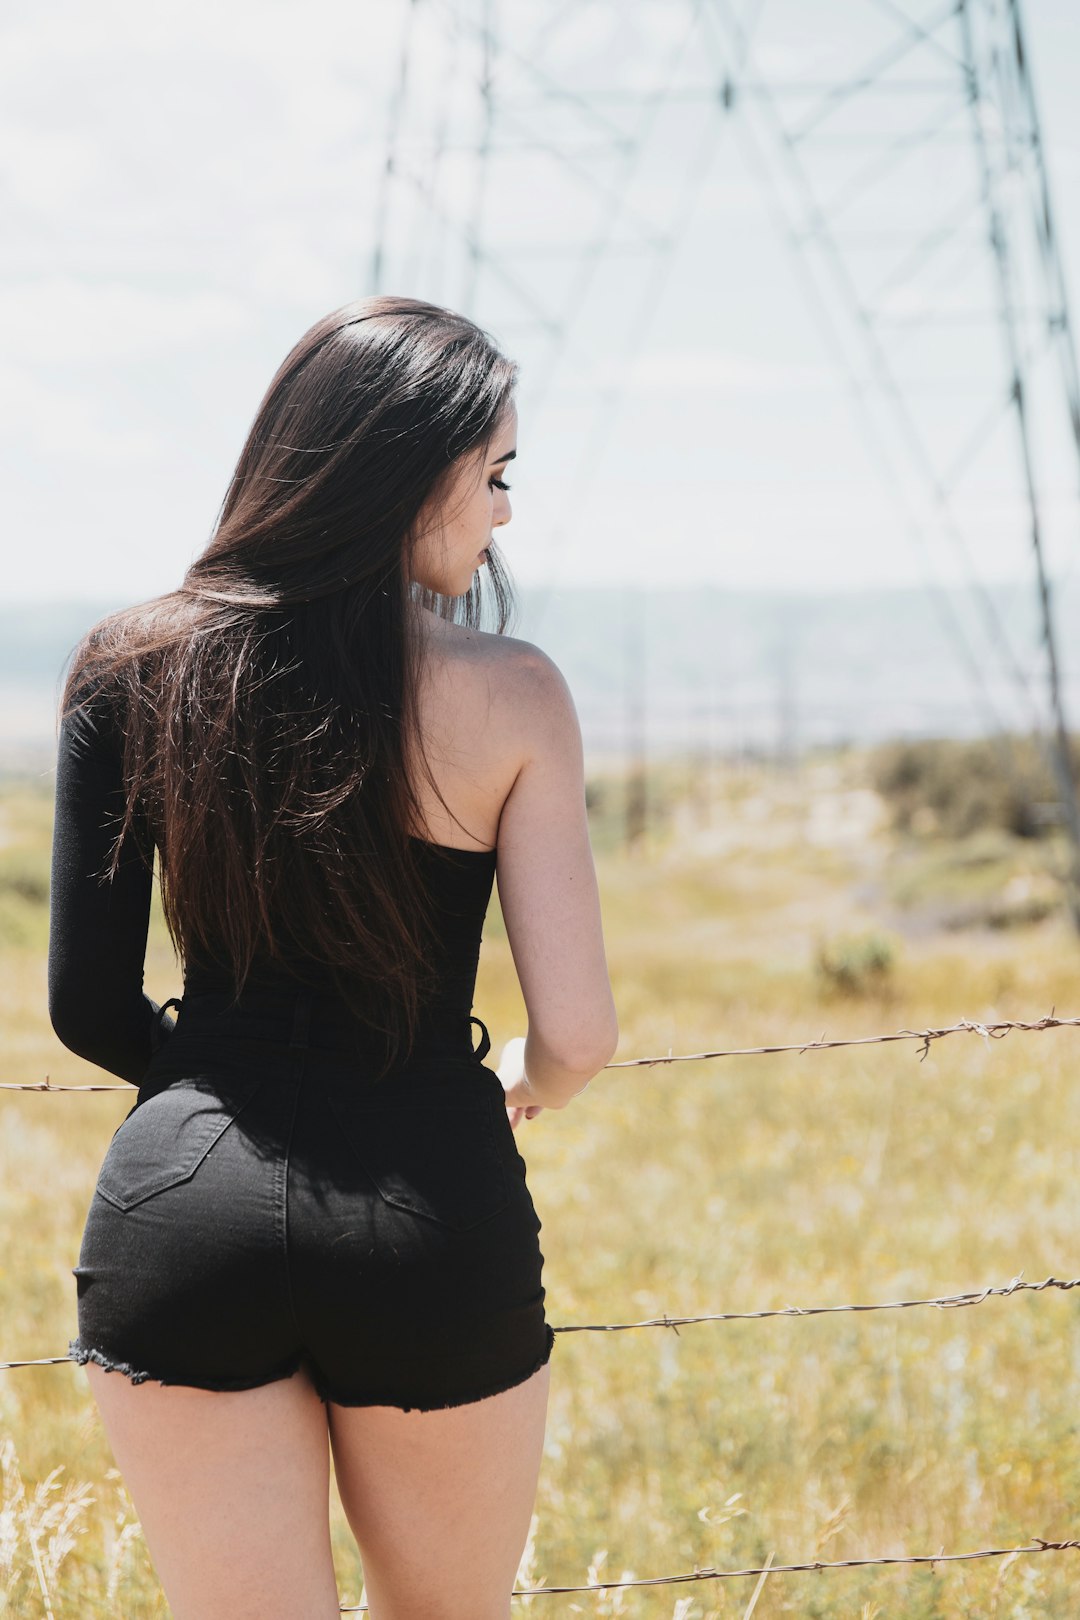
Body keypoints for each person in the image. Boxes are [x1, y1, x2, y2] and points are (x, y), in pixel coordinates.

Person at [47, 294, 619, 1620]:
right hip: (427, 1200)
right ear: (414, 474)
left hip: (181, 1204)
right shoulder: (516, 691)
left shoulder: (129, 669)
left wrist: (217, 1095)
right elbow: (578, 1034)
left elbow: (86, 1004)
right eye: (497, 474)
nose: (505, 513)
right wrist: (530, 1078)